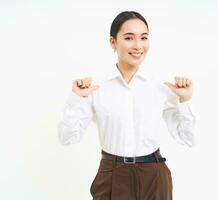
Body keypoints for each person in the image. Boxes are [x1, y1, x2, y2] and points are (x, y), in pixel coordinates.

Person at [58, 11, 196, 200]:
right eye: (129, 38)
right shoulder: (95, 87)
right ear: (113, 42)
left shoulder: (160, 86)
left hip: (154, 175)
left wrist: (184, 100)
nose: (138, 46)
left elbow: (188, 139)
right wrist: (76, 99)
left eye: (144, 37)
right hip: (112, 174)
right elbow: (67, 138)